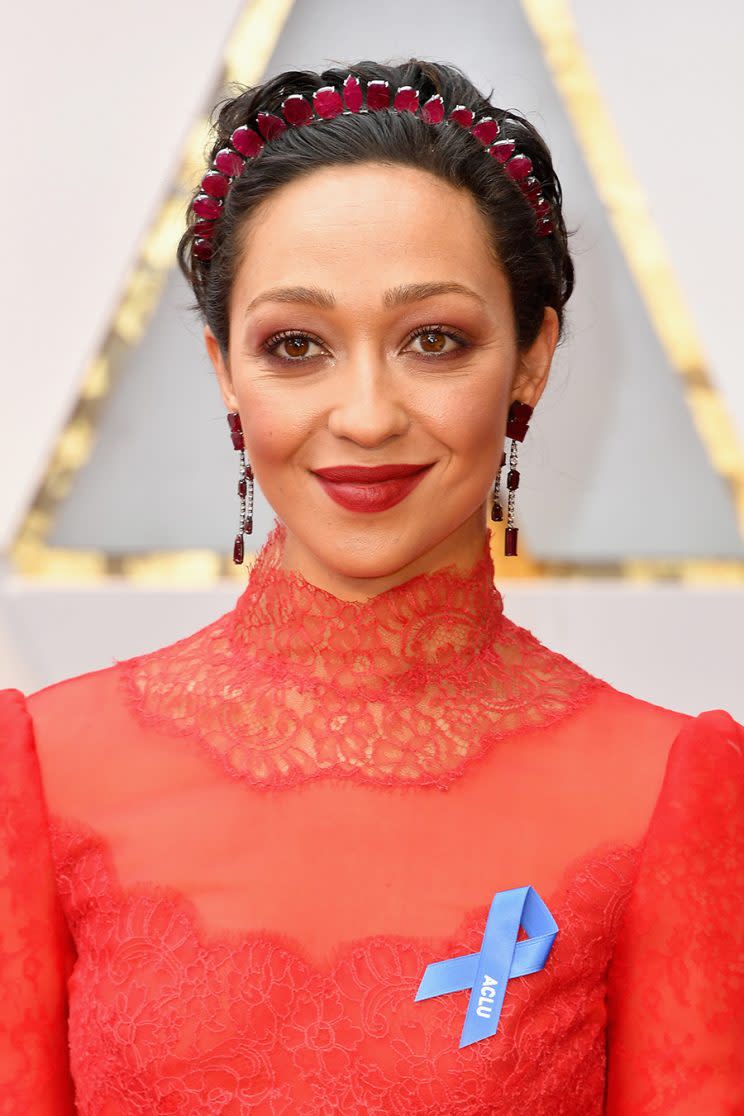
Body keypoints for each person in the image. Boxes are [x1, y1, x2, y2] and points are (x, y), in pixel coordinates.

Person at [1, 58, 742, 1116]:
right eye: (295, 346)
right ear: (224, 368)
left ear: (531, 358)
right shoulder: (42, 768)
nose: (365, 415)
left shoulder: (668, 782)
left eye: (432, 340)